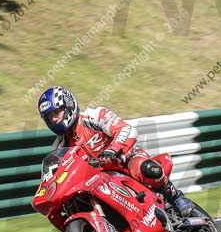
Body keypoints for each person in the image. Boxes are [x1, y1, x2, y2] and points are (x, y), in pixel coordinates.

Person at [37, 86, 195, 216]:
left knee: (146, 168)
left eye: (55, 113)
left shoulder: (94, 117)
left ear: (68, 105)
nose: (54, 120)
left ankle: (176, 198)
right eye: (49, 118)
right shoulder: (58, 147)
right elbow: (57, 175)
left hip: (125, 161)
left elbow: (126, 129)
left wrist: (113, 149)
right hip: (99, 182)